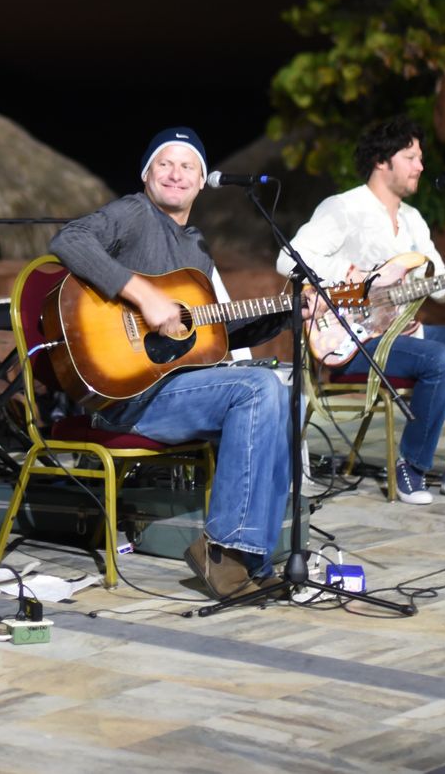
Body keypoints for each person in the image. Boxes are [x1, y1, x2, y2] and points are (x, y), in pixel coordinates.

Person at [50, 127, 294, 600]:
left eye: (188, 166)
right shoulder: (133, 213)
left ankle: (253, 559)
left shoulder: (196, 247)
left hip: (175, 390)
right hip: (126, 393)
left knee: (278, 392)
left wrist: (288, 313)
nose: (176, 174)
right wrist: (142, 295)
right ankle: (223, 552)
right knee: (258, 388)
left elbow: (214, 334)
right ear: (146, 174)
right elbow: (70, 239)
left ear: (202, 182)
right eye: (165, 163)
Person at [279, 116, 445, 505]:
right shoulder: (344, 208)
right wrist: (355, 275)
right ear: (382, 160)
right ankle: (411, 467)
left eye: (420, 158)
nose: (420, 166)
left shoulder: (413, 220)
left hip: (401, 334)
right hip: (352, 342)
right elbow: (288, 258)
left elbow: (443, 285)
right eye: (411, 157)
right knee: (444, 359)